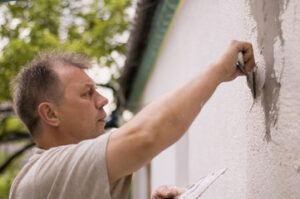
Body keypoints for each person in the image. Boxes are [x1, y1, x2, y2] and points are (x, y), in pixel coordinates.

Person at [9, 40, 255, 199]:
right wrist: (218, 71)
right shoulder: (42, 177)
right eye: (87, 93)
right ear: (51, 114)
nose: (103, 100)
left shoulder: (70, 179)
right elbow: (144, 137)